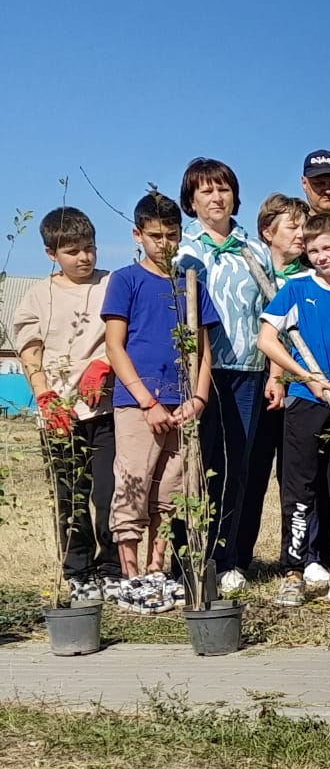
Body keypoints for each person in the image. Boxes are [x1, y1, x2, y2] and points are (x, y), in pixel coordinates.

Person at [102, 192, 217, 613]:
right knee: (133, 481)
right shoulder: (125, 280)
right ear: (138, 235)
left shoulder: (191, 285)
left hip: (183, 402)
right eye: (155, 235)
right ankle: (130, 576)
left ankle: (157, 569)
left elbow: (205, 351)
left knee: (171, 490)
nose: (163, 243)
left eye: (171, 235)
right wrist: (147, 401)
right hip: (139, 403)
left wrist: (199, 397)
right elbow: (116, 347)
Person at [257, 214, 330, 607]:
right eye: (312, 251)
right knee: (299, 486)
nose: (321, 256)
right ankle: (293, 572)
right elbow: (267, 340)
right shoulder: (296, 289)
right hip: (308, 401)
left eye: (327, 248)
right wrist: (304, 375)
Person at [173, 159, 271, 595]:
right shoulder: (183, 249)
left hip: (248, 371)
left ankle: (229, 557)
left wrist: (278, 373)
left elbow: (273, 313)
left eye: (223, 189)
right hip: (198, 375)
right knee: (194, 464)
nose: (216, 198)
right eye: (206, 191)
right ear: (191, 200)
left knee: (237, 465)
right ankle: (190, 553)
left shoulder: (255, 251)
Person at [13, 207, 121, 600]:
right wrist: (44, 395)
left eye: (90, 248)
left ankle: (112, 566)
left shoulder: (112, 284)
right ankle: (78, 568)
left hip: (105, 408)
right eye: (73, 251)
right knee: (69, 494)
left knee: (109, 492)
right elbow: (30, 350)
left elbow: (125, 334)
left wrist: (104, 363)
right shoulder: (39, 297)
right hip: (60, 412)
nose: (84, 258)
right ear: (51, 254)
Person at [232, 194, 320, 579]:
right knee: (248, 471)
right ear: (268, 232)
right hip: (252, 379)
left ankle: (301, 556)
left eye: (304, 226)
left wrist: (283, 376)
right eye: (292, 226)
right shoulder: (251, 271)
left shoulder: (308, 278)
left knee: (299, 476)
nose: (302, 234)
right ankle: (236, 556)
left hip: (298, 386)